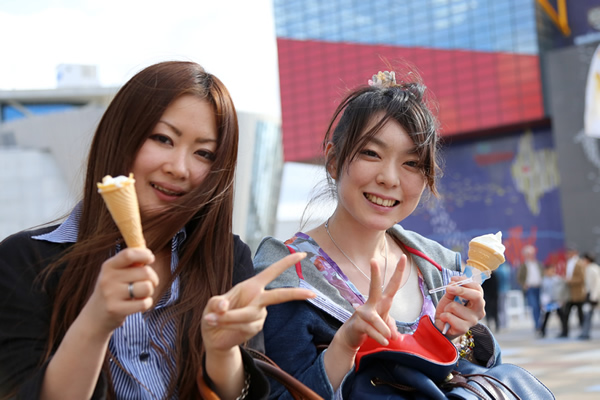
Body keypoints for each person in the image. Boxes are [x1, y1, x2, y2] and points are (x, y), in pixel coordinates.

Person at [0, 61, 314, 400]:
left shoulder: (226, 256)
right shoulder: (24, 261)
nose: (179, 168)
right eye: (163, 139)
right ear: (120, 136)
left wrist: (223, 353)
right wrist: (96, 320)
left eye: (204, 153)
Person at [253, 69, 497, 399]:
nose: (389, 178)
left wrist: (464, 334)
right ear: (333, 160)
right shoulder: (287, 274)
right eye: (371, 153)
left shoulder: (441, 265)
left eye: (411, 163)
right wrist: (344, 345)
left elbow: (484, 378)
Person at [559, 247, 586, 338]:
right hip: (569, 294)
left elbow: (582, 278)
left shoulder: (579, 264)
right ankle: (565, 332)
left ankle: (583, 332)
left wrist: (570, 280)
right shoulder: (568, 264)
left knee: (580, 314)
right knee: (565, 313)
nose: (568, 255)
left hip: (578, 294)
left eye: (570, 253)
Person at [517, 244, 543, 332]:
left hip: (540, 288)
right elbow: (519, 278)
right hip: (530, 289)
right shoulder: (524, 266)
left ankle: (541, 324)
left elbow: (542, 274)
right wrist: (524, 284)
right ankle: (537, 325)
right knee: (534, 306)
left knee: (540, 307)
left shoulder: (538, 264)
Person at [538, 264, 567, 338]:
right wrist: (542, 302)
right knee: (546, 317)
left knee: (562, 316)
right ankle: (542, 332)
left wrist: (562, 299)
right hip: (548, 302)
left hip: (556, 301)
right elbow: (542, 292)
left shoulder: (557, 279)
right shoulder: (544, 280)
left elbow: (562, 290)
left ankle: (564, 331)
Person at [579, 253, 600, 340]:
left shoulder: (593, 269)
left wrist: (594, 297)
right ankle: (585, 333)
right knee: (588, 315)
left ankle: (585, 333)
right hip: (591, 295)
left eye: (583, 259)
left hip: (595, 296)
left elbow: (597, 284)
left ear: (587, 260)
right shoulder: (589, 269)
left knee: (588, 314)